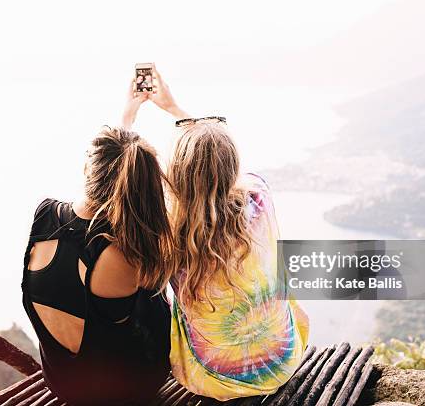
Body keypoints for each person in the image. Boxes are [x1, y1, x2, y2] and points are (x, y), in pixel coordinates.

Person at [149, 67, 310, 401]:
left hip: (215, 379)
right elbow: (214, 155)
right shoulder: (259, 200)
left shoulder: (167, 232)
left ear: (176, 175)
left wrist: (130, 114)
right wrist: (178, 111)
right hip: (281, 360)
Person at [21, 82, 173, 405]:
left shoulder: (43, 216)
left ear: (86, 169)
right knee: (162, 298)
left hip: (61, 381)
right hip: (119, 394)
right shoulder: (119, 256)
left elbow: (114, 174)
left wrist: (126, 119)